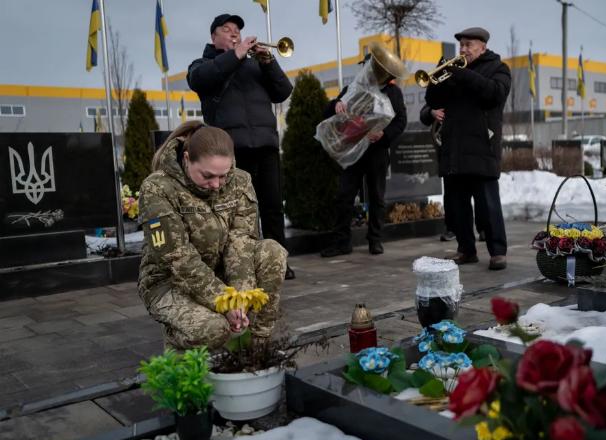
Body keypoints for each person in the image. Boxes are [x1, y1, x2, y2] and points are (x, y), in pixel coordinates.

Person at [137, 121, 287, 350]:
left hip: (220, 273)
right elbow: (176, 258)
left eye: (223, 175)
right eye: (207, 176)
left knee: (272, 252)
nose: (216, 184)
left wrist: (241, 298)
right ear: (187, 159)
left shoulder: (240, 180)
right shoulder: (158, 188)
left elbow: (241, 241)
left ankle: (255, 345)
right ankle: (176, 336)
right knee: (214, 330)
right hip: (170, 281)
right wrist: (224, 300)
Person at [187, 14, 295, 280]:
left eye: (237, 30)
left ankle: (278, 262)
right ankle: (240, 264)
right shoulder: (203, 64)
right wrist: (235, 54)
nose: (234, 33)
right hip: (230, 152)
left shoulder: (255, 65)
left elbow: (283, 91)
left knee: (272, 208)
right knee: (237, 211)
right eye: (227, 29)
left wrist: (268, 61)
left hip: (265, 145)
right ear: (214, 36)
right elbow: (201, 79)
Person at [425, 27, 511, 271]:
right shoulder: (453, 71)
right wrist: (437, 76)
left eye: (468, 44)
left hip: (482, 146)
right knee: (458, 205)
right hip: (454, 148)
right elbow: (432, 101)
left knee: (488, 204)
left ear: (482, 47)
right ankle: (466, 250)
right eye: (461, 44)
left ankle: (497, 252)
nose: (462, 49)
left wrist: (461, 75)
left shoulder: (498, 68)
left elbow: (495, 94)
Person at [319, 53, 408, 257]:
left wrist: (384, 135)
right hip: (353, 151)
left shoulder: (394, 93)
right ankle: (342, 242)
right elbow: (328, 112)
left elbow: (400, 121)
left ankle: (375, 240)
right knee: (344, 195)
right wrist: (336, 105)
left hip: (377, 151)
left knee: (377, 196)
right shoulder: (354, 88)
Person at [419, 103, 486, 243]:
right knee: (451, 193)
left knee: (478, 191)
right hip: (449, 152)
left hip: (471, 148)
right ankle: (452, 229)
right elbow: (424, 113)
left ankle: (483, 228)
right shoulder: (441, 90)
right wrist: (431, 112)